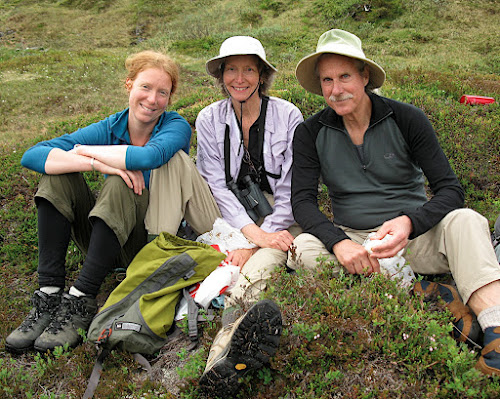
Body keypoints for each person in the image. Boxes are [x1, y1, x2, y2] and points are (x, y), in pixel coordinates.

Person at [289, 29, 500, 376]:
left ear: (365, 76)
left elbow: (449, 189)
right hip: (357, 243)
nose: (336, 89)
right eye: (327, 80)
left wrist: (409, 223)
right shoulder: (310, 132)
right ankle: (426, 291)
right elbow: (303, 202)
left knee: (466, 220)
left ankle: (495, 332)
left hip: (414, 239)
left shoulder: (406, 118)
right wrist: (339, 243)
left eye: (345, 76)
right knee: (302, 248)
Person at [5, 50, 221, 354]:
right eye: (145, 87)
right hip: (104, 239)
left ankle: (82, 298)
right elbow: (33, 155)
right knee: (57, 177)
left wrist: (86, 154)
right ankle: (49, 293)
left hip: (145, 245)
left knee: (122, 182)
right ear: (129, 85)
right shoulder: (110, 127)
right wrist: (98, 164)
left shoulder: (175, 126)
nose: (153, 99)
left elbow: (149, 157)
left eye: (163, 92)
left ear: (170, 98)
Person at [195, 36, 303, 395]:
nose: (238, 78)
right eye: (231, 70)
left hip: (279, 216)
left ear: (262, 75)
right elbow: (217, 186)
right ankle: (219, 367)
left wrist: (263, 240)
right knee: (249, 258)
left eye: (248, 69)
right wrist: (251, 237)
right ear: (221, 75)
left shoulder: (288, 116)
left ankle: (220, 357)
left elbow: (289, 189)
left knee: (253, 273)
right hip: (232, 216)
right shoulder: (209, 119)